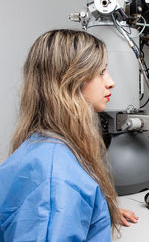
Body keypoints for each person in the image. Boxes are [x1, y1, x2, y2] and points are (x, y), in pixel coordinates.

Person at [0, 29, 138, 241]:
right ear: (71, 81)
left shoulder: (42, 144)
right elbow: (53, 209)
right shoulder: (56, 181)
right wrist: (65, 210)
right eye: (101, 72)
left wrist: (96, 213)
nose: (110, 82)